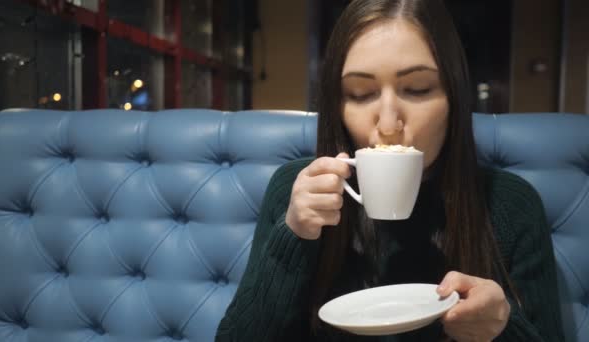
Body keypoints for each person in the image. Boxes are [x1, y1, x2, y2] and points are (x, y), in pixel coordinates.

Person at [216, 0, 564, 340]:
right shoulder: (299, 191)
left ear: (454, 98)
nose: (387, 124)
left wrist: (501, 328)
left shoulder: (510, 204)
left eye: (417, 89)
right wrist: (293, 235)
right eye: (359, 93)